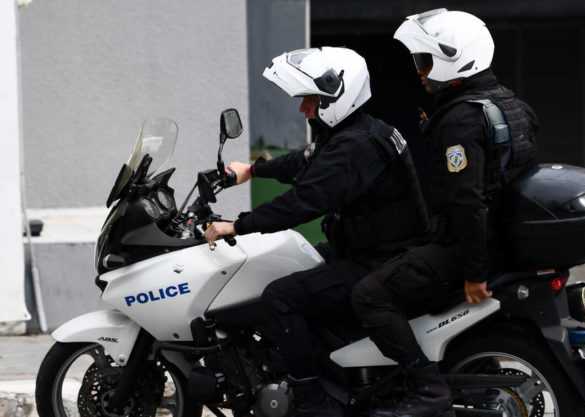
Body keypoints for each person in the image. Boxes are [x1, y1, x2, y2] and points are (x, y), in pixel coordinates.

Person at [204, 47, 429, 417]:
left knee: (281, 297)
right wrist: (253, 171)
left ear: (334, 98)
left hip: (380, 261)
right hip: (371, 250)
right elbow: (305, 161)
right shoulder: (356, 132)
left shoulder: (355, 146)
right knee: (294, 266)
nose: (303, 109)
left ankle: (312, 401)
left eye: (309, 99)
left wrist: (237, 226)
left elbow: (304, 201)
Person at [351, 9, 539, 417]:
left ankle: (426, 386)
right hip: (504, 239)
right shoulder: (511, 103)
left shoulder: (460, 120)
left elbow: (467, 201)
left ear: (455, 60)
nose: (420, 71)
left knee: (368, 295)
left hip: (469, 246)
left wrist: (474, 272)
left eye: (425, 61)